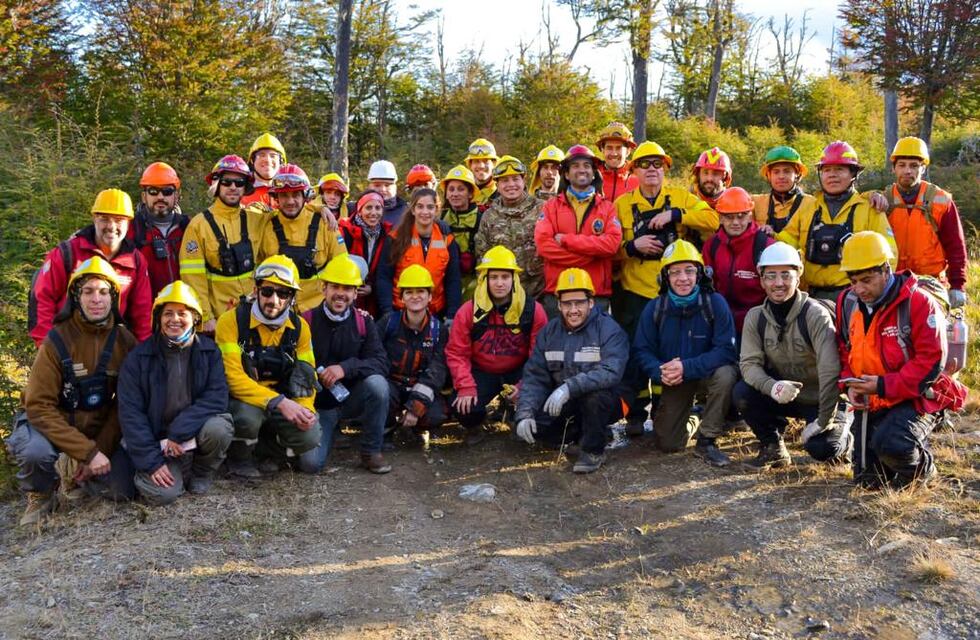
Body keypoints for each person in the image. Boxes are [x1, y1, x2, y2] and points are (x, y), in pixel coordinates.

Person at [9, 258, 138, 525]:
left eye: (103, 292)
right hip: (49, 425)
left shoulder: (125, 341)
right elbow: (38, 407)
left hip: (95, 426)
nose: (96, 299)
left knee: (121, 491)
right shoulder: (56, 339)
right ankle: (41, 493)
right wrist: (88, 452)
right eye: (88, 291)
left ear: (113, 297)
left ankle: (77, 477)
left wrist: (98, 450)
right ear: (76, 297)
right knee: (35, 453)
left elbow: (124, 405)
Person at [836, 231, 966, 489]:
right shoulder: (847, 302)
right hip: (871, 398)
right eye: (853, 281)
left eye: (866, 280)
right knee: (867, 481)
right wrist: (849, 384)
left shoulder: (918, 302)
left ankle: (923, 468)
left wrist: (882, 385)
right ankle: (896, 452)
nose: (859, 289)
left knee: (893, 444)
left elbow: (930, 361)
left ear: (886, 269)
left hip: (917, 395)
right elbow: (843, 348)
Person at [613, 140, 716, 427]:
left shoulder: (681, 197)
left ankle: (664, 411)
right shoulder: (621, 205)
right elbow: (607, 247)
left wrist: (677, 215)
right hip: (634, 293)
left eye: (657, 164)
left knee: (670, 351)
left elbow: (713, 218)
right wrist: (632, 246)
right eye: (644, 164)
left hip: (671, 294)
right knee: (635, 354)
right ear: (634, 170)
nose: (651, 169)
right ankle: (634, 415)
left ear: (665, 169)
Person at [733, 242, 852, 469]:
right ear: (761, 280)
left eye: (786, 275)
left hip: (822, 399)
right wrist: (772, 387)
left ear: (798, 276)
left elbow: (830, 371)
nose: (778, 283)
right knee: (742, 393)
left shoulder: (815, 315)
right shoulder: (755, 318)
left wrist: (823, 421)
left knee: (823, 449)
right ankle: (773, 447)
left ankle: (846, 435)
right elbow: (748, 365)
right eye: (771, 276)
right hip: (785, 395)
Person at [119, 281, 234, 503]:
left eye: (182, 313)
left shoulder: (209, 352)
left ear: (195, 318)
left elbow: (217, 397)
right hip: (157, 441)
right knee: (164, 494)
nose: (174, 319)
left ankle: (201, 473)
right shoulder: (138, 358)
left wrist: (179, 431)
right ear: (158, 318)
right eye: (168, 313)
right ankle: (161, 470)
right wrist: (152, 462)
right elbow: (131, 414)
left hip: (191, 432)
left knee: (219, 428)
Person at [632, 240, 739, 467]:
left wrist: (686, 367)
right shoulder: (655, 308)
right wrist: (659, 371)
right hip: (675, 379)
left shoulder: (715, 303)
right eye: (675, 272)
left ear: (699, 274)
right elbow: (642, 350)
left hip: (707, 374)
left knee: (727, 374)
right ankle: (696, 416)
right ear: (665, 277)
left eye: (689, 271)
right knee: (669, 443)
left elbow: (726, 350)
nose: (683, 278)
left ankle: (707, 440)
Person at [215, 256, 321, 478]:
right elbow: (232, 377)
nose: (274, 300)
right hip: (244, 401)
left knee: (310, 437)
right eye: (267, 291)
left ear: (292, 297)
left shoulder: (301, 328)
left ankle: (267, 452)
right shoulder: (231, 321)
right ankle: (239, 460)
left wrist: (306, 410)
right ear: (255, 290)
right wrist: (279, 402)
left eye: (283, 294)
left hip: (282, 401)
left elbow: (306, 378)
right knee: (248, 418)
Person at [515, 268, 629, 474]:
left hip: (607, 402)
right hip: (565, 403)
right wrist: (525, 413)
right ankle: (582, 433)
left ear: (591, 303)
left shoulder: (609, 329)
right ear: (559, 305)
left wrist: (568, 388)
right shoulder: (549, 332)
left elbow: (610, 371)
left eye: (579, 303)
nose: (573, 310)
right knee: (533, 430)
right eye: (567, 304)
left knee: (596, 398)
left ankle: (593, 450)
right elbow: (535, 376)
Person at [299, 255, 391, 474]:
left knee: (378, 385)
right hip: (318, 405)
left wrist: (345, 368)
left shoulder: (364, 322)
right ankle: (326, 431)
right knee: (311, 465)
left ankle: (371, 451)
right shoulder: (305, 321)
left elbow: (380, 362)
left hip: (351, 399)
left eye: (347, 288)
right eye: (335, 287)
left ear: (355, 293)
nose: (341, 293)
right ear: (324, 288)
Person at [446, 246, 548, 444]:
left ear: (514, 279)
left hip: (519, 371)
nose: (499, 283)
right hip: (482, 371)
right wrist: (466, 386)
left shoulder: (533, 310)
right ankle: (476, 425)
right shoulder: (468, 311)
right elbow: (457, 353)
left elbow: (539, 356)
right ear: (485, 279)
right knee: (463, 408)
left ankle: (514, 415)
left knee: (540, 405)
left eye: (505, 277)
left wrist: (524, 386)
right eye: (494, 277)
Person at [30, 188, 153, 346]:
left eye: (119, 220)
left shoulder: (135, 261)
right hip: (67, 345)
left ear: (128, 223)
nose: (111, 226)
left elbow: (142, 314)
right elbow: (43, 299)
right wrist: (47, 348)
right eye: (104, 219)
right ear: (94, 219)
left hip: (112, 348)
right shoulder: (67, 253)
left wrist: (143, 354)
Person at [776, 141, 896, 302]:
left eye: (839, 169)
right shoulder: (808, 207)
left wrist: (882, 293)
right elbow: (786, 243)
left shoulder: (869, 208)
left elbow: (889, 254)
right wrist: (766, 236)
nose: (832, 175)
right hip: (811, 295)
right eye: (827, 170)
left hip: (855, 296)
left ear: (853, 174)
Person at [534, 144, 622, 317]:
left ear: (594, 173)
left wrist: (566, 240)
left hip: (596, 295)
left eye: (587, 165)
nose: (582, 170)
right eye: (575, 166)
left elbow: (612, 245)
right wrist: (590, 257)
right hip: (557, 295)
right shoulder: (550, 207)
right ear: (566, 174)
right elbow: (544, 245)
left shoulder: (608, 208)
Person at [881, 136, 968, 309]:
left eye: (914, 165)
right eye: (902, 165)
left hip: (931, 283)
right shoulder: (883, 201)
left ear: (923, 168)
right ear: (893, 168)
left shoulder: (940, 200)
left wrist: (957, 285)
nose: (907, 171)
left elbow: (955, 246)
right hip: (892, 284)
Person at [180, 154, 261, 333]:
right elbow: (192, 277)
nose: (233, 187)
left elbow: (291, 214)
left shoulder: (256, 219)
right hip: (219, 321)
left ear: (245, 187)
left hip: (256, 315)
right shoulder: (198, 225)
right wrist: (205, 317)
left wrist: (319, 207)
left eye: (239, 183)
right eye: (226, 182)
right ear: (216, 185)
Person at [258, 164, 347, 312]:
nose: (290, 201)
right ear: (276, 198)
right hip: (278, 308)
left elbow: (341, 264)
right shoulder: (265, 226)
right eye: (284, 195)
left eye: (295, 195)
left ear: (305, 196)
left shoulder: (325, 223)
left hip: (318, 308)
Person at [378, 265, 450, 437]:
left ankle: (415, 429)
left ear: (430, 296)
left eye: (421, 291)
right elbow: (375, 358)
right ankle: (386, 428)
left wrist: (416, 407)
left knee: (438, 413)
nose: (415, 296)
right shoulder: (388, 323)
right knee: (378, 393)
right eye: (409, 292)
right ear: (401, 297)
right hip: (392, 386)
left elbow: (437, 372)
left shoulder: (439, 330)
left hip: (420, 386)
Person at [376, 188, 462, 321]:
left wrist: (451, 315)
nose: (425, 212)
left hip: (435, 312)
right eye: (420, 206)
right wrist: (387, 311)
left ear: (437, 210)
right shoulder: (395, 238)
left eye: (430, 207)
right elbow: (384, 276)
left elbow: (453, 280)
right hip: (400, 312)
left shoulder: (447, 239)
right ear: (413, 210)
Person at [701, 186, 773, 336]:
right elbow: (707, 286)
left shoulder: (765, 245)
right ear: (720, 218)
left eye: (741, 216)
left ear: (750, 216)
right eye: (729, 217)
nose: (735, 222)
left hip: (759, 323)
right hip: (722, 321)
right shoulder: (712, 245)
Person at [474, 156, 547, 299]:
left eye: (515, 179)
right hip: (503, 296)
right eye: (505, 180)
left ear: (523, 181)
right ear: (497, 185)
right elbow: (482, 257)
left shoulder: (543, 209)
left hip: (540, 293)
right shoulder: (489, 216)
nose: (511, 184)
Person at [129, 162, 189, 297]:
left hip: (182, 307)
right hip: (146, 307)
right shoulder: (131, 229)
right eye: (153, 191)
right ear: (144, 196)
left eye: (167, 191)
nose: (160, 197)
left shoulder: (189, 227)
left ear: (176, 196)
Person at [339, 191, 392, 317]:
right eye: (368, 207)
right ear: (359, 210)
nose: (373, 213)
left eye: (378, 208)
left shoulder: (387, 234)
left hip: (374, 301)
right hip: (346, 297)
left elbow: (386, 270)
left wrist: (372, 287)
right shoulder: (344, 232)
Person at [438, 165, 483, 301]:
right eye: (451, 189)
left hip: (474, 284)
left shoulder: (482, 218)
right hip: (444, 282)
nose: (455, 194)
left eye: (461, 189)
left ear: (470, 193)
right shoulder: (440, 219)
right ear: (446, 194)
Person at [752, 146, 817, 236]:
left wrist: (774, 235)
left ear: (797, 174)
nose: (781, 176)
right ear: (769, 175)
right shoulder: (755, 203)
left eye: (787, 171)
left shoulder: (811, 204)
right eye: (776, 172)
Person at [240, 132, 286, 209]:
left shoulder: (290, 190)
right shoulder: (238, 190)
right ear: (252, 160)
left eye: (273, 156)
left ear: (281, 162)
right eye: (261, 155)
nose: (267, 160)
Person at [595, 122, 638, 202]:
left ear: (628, 151)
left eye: (619, 148)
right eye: (609, 148)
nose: (614, 153)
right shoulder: (591, 177)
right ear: (603, 150)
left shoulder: (640, 178)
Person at [366, 160, 407, 226]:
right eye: (377, 185)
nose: (383, 189)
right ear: (369, 187)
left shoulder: (408, 212)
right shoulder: (355, 210)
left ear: (395, 187)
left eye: (387, 185)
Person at [464, 138, 499, 206]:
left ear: (494, 164)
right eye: (476, 161)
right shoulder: (463, 193)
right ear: (470, 165)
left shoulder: (503, 195)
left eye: (486, 161)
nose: (481, 166)